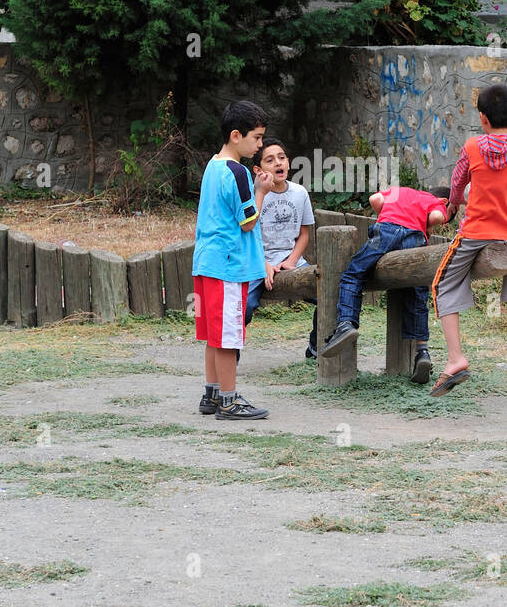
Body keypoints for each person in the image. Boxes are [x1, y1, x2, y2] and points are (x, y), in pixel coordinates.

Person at [428, 84, 507, 396]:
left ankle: (456, 358)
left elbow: (458, 182)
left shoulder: (472, 147)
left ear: (482, 118)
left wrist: (454, 202)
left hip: (474, 233)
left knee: (441, 284)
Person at [319, 185, 454, 384]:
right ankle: (422, 351)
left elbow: (375, 200)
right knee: (417, 291)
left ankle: (346, 323)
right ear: (445, 202)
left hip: (386, 230)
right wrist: (428, 226)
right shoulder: (436, 202)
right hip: (414, 238)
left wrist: (391, 216)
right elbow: (436, 217)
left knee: (353, 275)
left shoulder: (401, 191)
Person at [192, 100, 273, 420]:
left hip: (207, 262)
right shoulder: (237, 171)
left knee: (214, 333)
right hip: (228, 265)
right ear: (236, 136)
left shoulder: (213, 166)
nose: (261, 144)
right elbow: (249, 221)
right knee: (227, 335)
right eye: (257, 138)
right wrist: (262, 191)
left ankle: (211, 394)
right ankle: (228, 400)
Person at [244, 137, 318, 358]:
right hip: (258, 261)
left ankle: (316, 347)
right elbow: (247, 235)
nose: (278, 163)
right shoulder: (253, 196)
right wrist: (263, 264)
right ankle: (230, 353)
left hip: (291, 259)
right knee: (243, 305)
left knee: (329, 295)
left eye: (282, 158)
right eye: (270, 160)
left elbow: (304, 234)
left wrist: (292, 260)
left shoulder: (299, 193)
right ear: (258, 170)